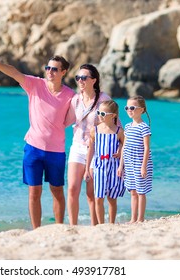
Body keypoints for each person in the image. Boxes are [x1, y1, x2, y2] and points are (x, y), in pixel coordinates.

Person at [0, 55, 75, 229]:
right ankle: (36, 230)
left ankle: (60, 228)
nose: (50, 72)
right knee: (34, 192)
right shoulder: (35, 84)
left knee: (57, 192)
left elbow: (80, 114)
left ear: (63, 72)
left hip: (56, 151)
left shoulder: (70, 95)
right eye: (48, 68)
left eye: (54, 69)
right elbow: (14, 72)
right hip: (33, 148)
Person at [66, 64, 120, 226]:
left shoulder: (104, 99)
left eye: (84, 78)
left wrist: (119, 147)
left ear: (94, 80)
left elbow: (117, 125)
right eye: (78, 78)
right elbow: (67, 120)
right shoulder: (75, 100)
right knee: (72, 189)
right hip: (77, 147)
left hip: (97, 150)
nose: (80, 81)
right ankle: (72, 227)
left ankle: (95, 227)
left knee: (92, 194)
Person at [84, 100, 125, 224]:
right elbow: (91, 149)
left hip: (114, 167)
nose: (100, 116)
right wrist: (87, 169)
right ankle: (101, 225)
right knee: (98, 197)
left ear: (113, 115)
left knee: (112, 198)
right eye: (99, 113)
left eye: (103, 114)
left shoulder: (119, 131)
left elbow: (124, 145)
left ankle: (111, 223)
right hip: (99, 167)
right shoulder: (94, 130)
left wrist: (120, 156)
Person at [117, 95, 153, 223]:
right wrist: (121, 166)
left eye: (132, 107)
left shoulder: (144, 127)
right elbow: (124, 147)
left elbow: (147, 147)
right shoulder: (127, 127)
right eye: (127, 108)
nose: (129, 110)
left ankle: (140, 218)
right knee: (132, 191)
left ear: (141, 110)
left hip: (139, 162)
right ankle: (133, 218)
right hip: (129, 162)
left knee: (141, 191)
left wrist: (143, 166)